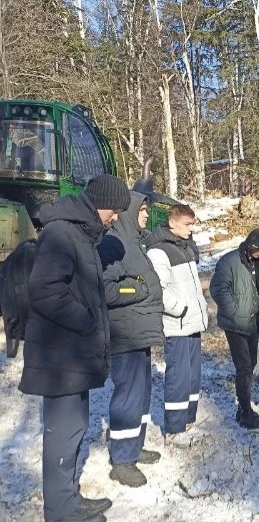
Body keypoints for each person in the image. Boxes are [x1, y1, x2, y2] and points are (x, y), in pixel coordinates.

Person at [19, 174, 130, 522]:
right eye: (115, 210)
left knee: (73, 429)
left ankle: (67, 498)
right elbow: (46, 292)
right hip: (60, 355)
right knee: (63, 433)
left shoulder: (80, 234)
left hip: (71, 354)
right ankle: (61, 511)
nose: (115, 218)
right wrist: (88, 321)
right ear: (102, 205)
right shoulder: (62, 233)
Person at [98, 192, 164, 488]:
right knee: (127, 396)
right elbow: (109, 290)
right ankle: (122, 461)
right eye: (143, 210)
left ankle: (134, 445)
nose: (147, 216)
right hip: (124, 336)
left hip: (139, 334)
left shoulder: (133, 243)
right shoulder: (113, 244)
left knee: (141, 394)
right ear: (128, 213)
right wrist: (136, 292)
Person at [146, 204, 209, 448]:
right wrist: (180, 309)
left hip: (193, 323)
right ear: (172, 224)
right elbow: (158, 290)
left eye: (193, 224)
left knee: (193, 374)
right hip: (178, 324)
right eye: (187, 224)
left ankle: (189, 419)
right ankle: (174, 428)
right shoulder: (159, 251)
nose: (191, 230)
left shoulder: (185, 247)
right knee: (178, 376)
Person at [210, 227, 259, 429]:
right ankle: (245, 411)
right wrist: (234, 311)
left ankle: (243, 407)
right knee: (244, 366)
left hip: (253, 321)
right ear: (250, 246)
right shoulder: (229, 261)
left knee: (251, 363)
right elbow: (218, 288)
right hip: (235, 323)